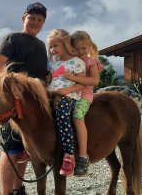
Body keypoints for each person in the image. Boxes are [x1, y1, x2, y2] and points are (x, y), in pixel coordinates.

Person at [0, 2, 48, 195]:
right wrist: (3, 91)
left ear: (43, 24)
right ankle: (6, 193)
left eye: (40, 19)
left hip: (34, 107)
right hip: (14, 104)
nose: (35, 22)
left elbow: (40, 73)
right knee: (12, 149)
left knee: (25, 149)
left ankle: (19, 190)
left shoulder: (41, 46)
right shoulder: (11, 39)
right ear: (23, 18)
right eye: (32, 17)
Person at [63, 30, 104, 176]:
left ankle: (82, 156)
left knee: (77, 117)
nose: (81, 52)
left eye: (84, 48)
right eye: (77, 49)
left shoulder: (90, 61)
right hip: (70, 94)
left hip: (84, 96)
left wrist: (75, 78)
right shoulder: (72, 62)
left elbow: (94, 81)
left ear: (89, 47)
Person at [47, 29, 86, 177]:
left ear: (65, 44)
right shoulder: (55, 64)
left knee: (63, 116)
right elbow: (54, 80)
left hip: (68, 96)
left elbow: (82, 85)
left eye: (55, 46)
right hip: (51, 95)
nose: (52, 49)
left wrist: (67, 90)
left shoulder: (77, 63)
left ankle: (69, 155)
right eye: (50, 47)